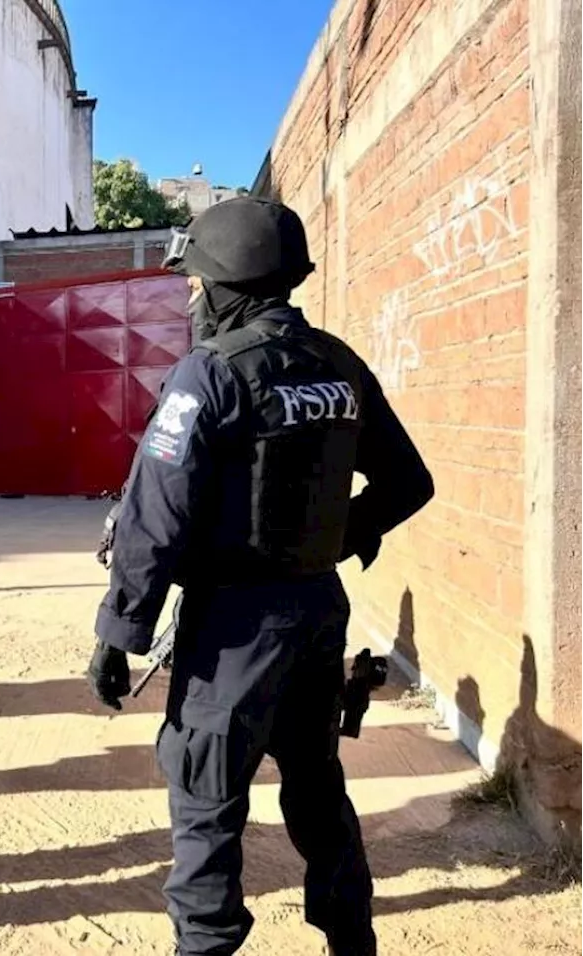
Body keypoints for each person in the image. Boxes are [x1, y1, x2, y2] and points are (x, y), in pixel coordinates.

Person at [86, 197, 435, 956]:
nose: (191, 297)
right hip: (316, 612)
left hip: (233, 628)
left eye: (197, 283)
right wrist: (327, 542)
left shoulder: (208, 374)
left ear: (228, 285)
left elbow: (154, 520)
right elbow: (409, 483)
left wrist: (119, 636)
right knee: (316, 785)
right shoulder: (339, 364)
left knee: (207, 798)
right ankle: (352, 940)